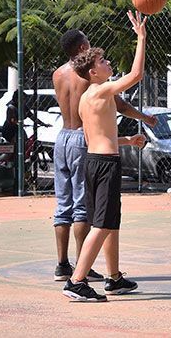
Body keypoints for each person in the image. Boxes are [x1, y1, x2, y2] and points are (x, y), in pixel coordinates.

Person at [52, 26, 156, 287]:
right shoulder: (98, 89)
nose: (107, 62)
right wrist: (141, 38)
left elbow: (92, 137)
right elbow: (136, 74)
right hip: (101, 162)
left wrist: (127, 140)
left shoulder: (72, 87)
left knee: (103, 219)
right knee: (96, 221)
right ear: (91, 70)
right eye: (102, 61)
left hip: (75, 145)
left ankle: (112, 275)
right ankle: (77, 279)